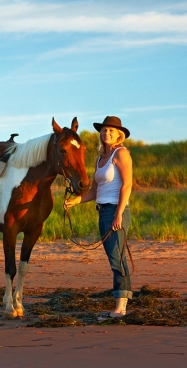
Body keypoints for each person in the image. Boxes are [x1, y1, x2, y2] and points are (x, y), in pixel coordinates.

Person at [63, 116, 133, 317]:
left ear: (119, 134)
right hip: (102, 211)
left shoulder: (121, 154)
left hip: (116, 210)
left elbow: (127, 185)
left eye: (111, 130)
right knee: (114, 257)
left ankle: (121, 307)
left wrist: (119, 213)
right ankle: (120, 304)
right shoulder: (100, 158)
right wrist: (75, 200)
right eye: (104, 130)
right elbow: (95, 190)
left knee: (116, 258)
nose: (106, 133)